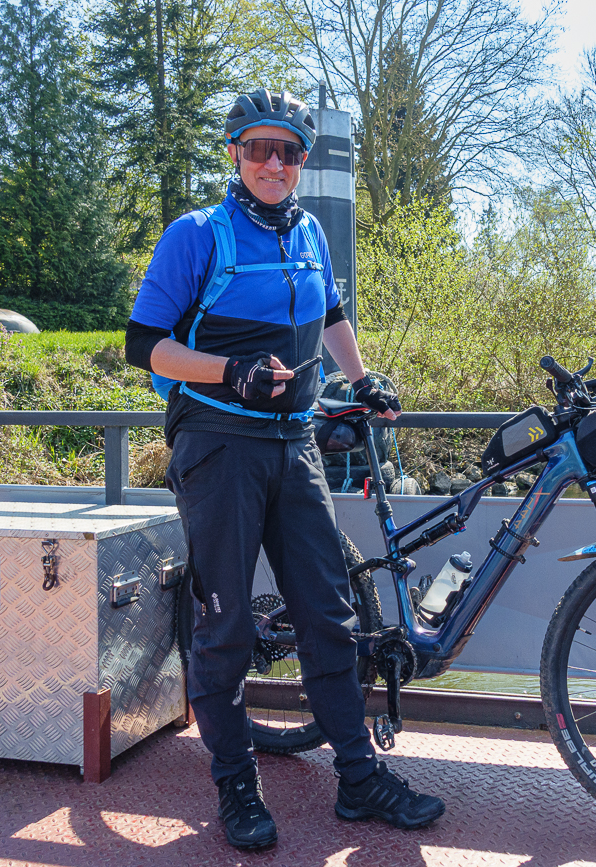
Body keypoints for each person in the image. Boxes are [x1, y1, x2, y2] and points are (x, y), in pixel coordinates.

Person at [124, 88, 444, 851]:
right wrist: (224, 371)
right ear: (235, 152)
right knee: (228, 622)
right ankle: (237, 784)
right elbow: (144, 345)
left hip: (294, 441)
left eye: (290, 152)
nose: (275, 163)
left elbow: (331, 315)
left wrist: (362, 379)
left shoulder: (309, 235)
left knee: (329, 616)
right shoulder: (197, 235)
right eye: (261, 148)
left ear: (302, 162)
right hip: (218, 442)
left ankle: (360, 780)